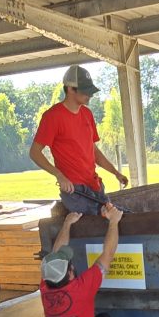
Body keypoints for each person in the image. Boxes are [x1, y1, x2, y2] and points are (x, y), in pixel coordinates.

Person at [30, 65, 129, 215]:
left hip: (95, 185)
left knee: (114, 217)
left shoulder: (87, 114)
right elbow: (34, 153)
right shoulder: (53, 116)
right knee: (104, 221)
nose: (90, 95)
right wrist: (59, 176)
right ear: (70, 89)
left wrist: (115, 172)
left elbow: (93, 150)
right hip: (75, 190)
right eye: (85, 91)